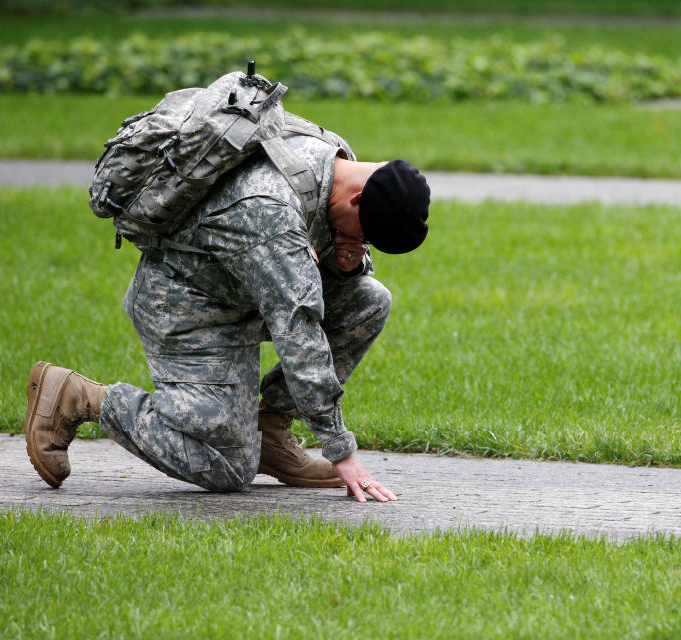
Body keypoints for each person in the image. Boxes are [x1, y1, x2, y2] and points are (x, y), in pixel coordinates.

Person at [22, 115, 431, 502]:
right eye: (364, 234)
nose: (361, 241)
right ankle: (81, 396)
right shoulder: (269, 206)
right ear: (360, 197)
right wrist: (341, 450)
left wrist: (348, 262)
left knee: (369, 299)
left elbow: (311, 267)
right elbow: (298, 329)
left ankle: (269, 430)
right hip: (189, 306)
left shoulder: (338, 162)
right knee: (228, 467)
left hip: (244, 291)